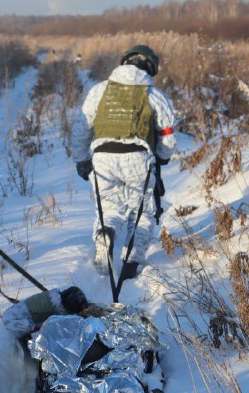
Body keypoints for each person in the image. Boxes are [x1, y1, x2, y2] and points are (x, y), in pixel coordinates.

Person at [71, 44, 176, 281]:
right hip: (138, 155)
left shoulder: (99, 91)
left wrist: (82, 160)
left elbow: (80, 128)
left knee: (109, 207)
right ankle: (133, 257)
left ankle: (105, 235)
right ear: (150, 68)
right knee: (142, 209)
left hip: (103, 156)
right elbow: (167, 135)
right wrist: (162, 157)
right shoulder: (153, 95)